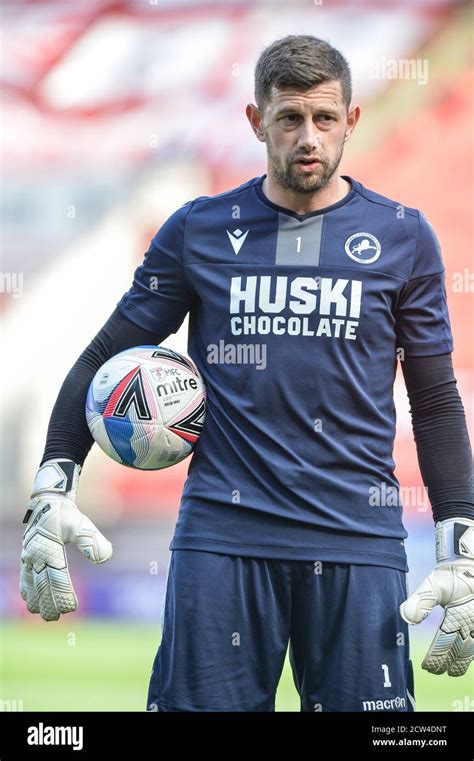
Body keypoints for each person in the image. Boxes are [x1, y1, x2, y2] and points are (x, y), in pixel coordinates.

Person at [20, 35, 473, 712]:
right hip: (222, 545)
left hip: (359, 545)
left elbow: (435, 400)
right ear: (256, 121)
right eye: (289, 118)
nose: (308, 137)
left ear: (351, 121)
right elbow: (100, 359)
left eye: (325, 119)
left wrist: (459, 544)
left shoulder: (404, 237)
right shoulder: (199, 229)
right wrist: (52, 488)